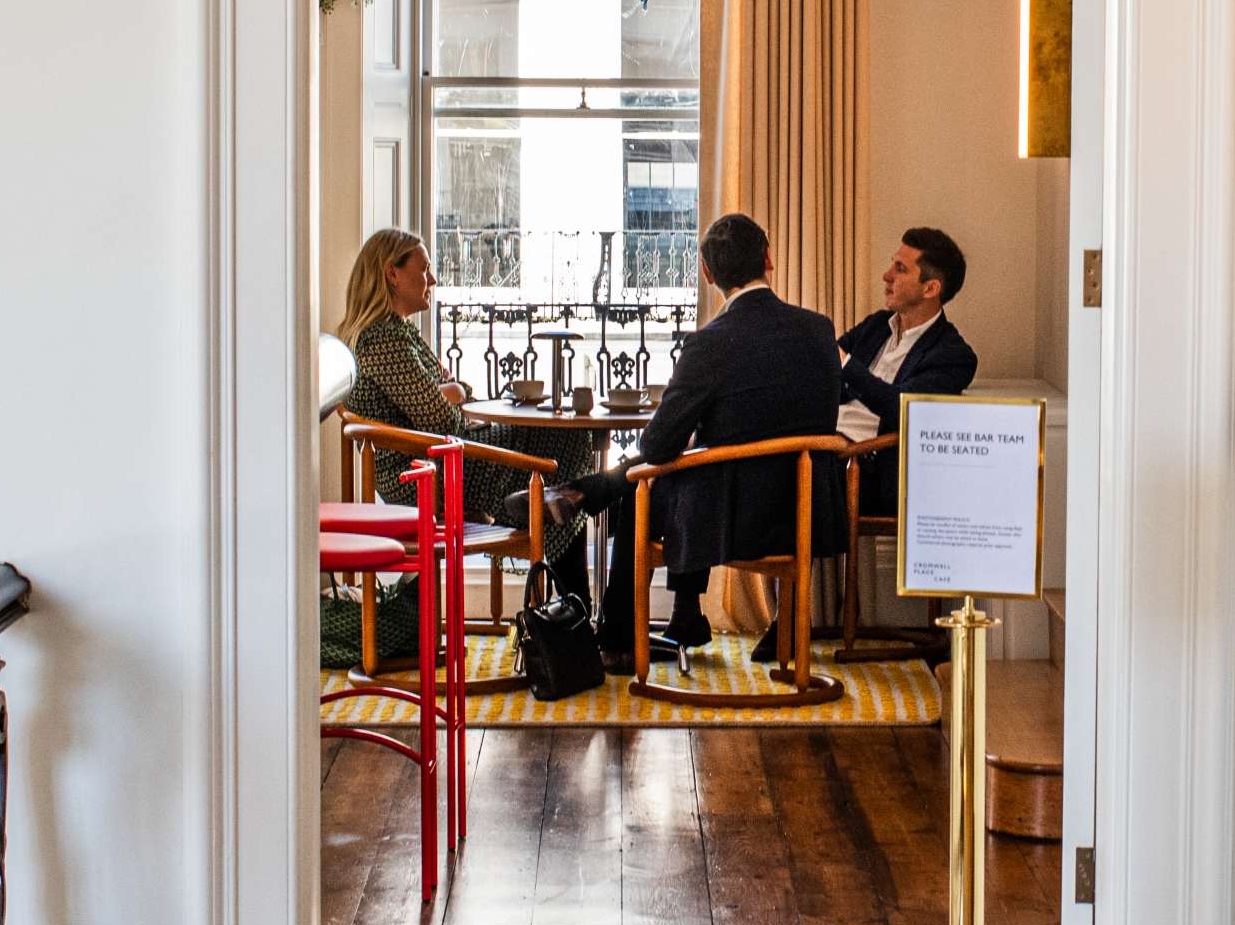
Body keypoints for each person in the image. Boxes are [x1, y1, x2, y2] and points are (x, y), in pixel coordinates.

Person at [559, 213, 845, 662]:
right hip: (808, 507)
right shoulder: (819, 329)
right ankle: (683, 613)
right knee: (671, 472)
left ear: (708, 274)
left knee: (644, 484)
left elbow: (656, 446)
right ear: (768, 260)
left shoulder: (710, 343)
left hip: (733, 518)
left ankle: (618, 638)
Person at [324, 228, 595, 667]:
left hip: (440, 458)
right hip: (425, 474)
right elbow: (443, 418)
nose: (432, 280)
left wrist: (450, 390)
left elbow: (454, 394)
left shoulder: (397, 334)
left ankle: (547, 530)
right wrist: (448, 392)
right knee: (565, 440)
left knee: (559, 471)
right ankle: (573, 602)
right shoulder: (382, 340)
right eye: (424, 270)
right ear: (393, 274)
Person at [834, 227, 980, 516]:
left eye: (900, 269)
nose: (886, 276)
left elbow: (902, 408)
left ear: (930, 288)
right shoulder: (877, 325)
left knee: (778, 480)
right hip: (825, 447)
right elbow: (828, 373)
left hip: (867, 471)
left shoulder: (952, 355)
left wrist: (845, 365)